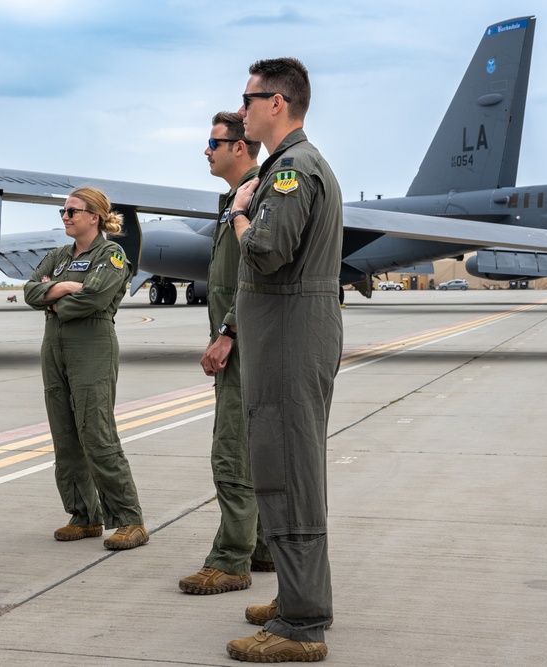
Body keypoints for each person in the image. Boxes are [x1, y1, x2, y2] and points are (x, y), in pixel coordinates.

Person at [224, 58, 343, 662]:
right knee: (285, 467)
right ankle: (300, 595)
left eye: (248, 99)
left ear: (277, 103)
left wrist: (241, 209)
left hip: (290, 341)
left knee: (288, 471)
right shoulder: (286, 166)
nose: (241, 109)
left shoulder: (293, 170)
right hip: (286, 337)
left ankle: (302, 625)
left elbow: (267, 252)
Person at [179, 112, 274, 596]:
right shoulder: (234, 199)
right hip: (246, 341)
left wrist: (227, 333)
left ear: (240, 147)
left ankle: (231, 560)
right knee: (250, 449)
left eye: (213, 142)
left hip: (244, 343)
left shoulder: (256, 195)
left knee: (231, 452)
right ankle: (262, 547)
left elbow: (254, 273)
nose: (206, 150)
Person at [24, 187, 148, 550]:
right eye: (63, 211)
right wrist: (61, 286)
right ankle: (84, 515)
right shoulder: (59, 256)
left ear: (94, 216)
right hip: (55, 350)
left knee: (96, 432)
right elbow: (30, 290)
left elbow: (95, 296)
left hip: (91, 346)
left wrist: (56, 300)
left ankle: (129, 519)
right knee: (65, 436)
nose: (65, 217)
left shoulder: (110, 254)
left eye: (72, 211)